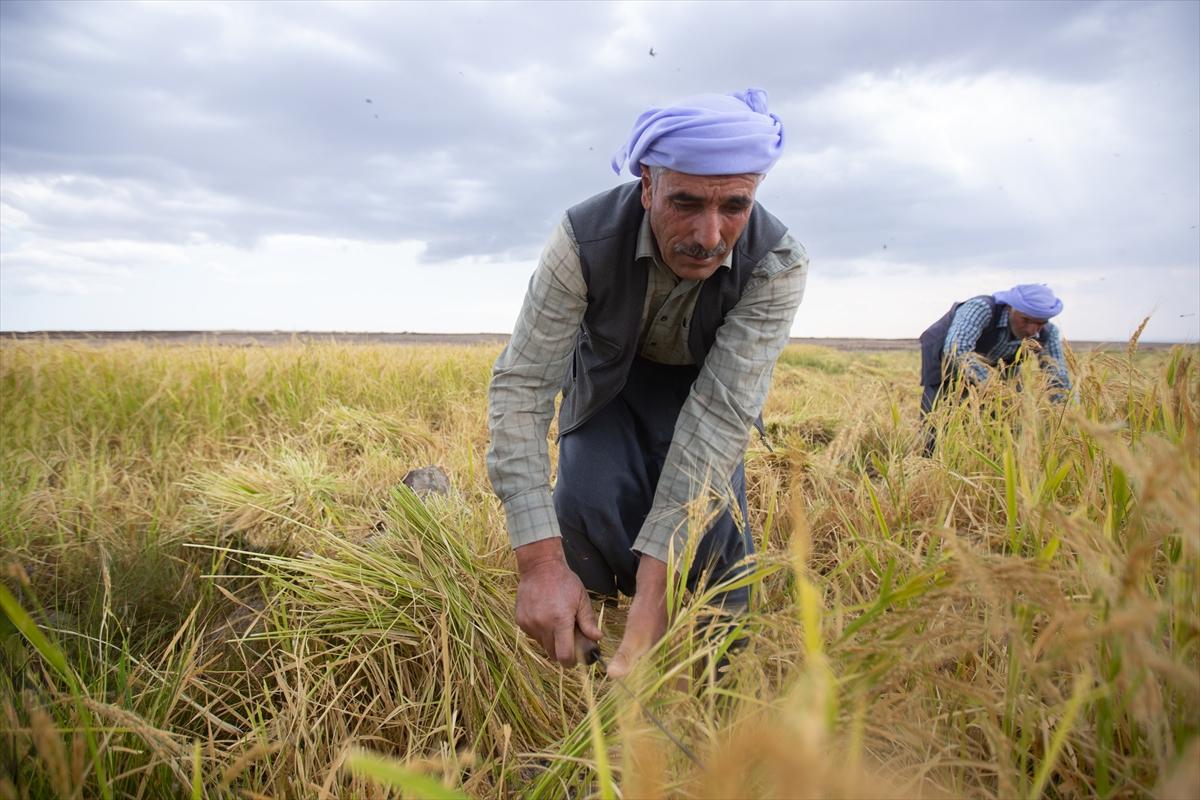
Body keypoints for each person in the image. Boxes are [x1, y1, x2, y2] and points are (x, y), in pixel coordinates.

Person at [486, 89, 807, 678]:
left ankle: (714, 686)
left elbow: (717, 418)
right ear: (647, 188)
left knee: (713, 533)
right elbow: (524, 387)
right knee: (587, 498)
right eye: (685, 201)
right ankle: (585, 665)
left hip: (705, 388)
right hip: (609, 382)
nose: (710, 236)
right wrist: (538, 565)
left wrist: (656, 594)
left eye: (735, 206)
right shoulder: (581, 243)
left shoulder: (777, 263)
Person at [918, 284, 1071, 454]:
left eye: (1040, 323)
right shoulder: (981, 309)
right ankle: (929, 460)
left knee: (1008, 417)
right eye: (1025, 320)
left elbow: (1058, 375)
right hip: (944, 358)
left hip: (997, 365)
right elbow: (958, 350)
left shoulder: (1048, 333)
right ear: (1011, 308)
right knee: (938, 417)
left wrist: (1069, 414)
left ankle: (995, 456)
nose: (1031, 330)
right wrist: (997, 391)